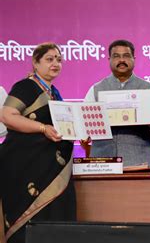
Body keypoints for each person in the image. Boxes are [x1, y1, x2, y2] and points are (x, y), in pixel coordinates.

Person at [0, 43, 76, 243]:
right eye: (49, 59)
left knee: (54, 224)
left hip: (49, 170)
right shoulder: (26, 86)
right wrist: (43, 128)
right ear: (35, 62)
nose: (55, 64)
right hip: (25, 167)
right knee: (29, 227)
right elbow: (7, 115)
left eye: (59, 59)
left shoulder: (54, 92)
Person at [84, 40, 150, 168]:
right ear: (109, 59)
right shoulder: (95, 89)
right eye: (116, 56)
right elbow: (84, 127)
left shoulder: (148, 88)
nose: (121, 60)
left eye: (126, 56)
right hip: (103, 164)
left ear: (134, 59)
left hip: (140, 162)